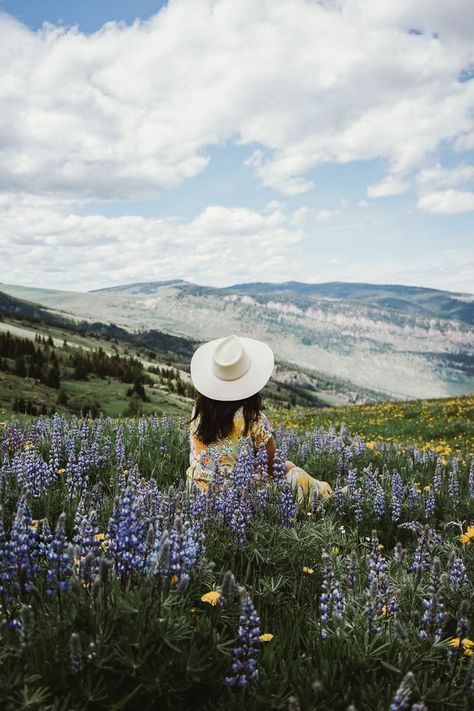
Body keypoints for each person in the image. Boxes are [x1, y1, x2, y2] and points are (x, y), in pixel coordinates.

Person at [185, 334, 333, 503]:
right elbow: (271, 469)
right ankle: (327, 497)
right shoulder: (253, 419)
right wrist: (287, 466)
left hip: (196, 493)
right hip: (238, 498)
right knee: (296, 475)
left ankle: (323, 493)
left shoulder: (198, 411)